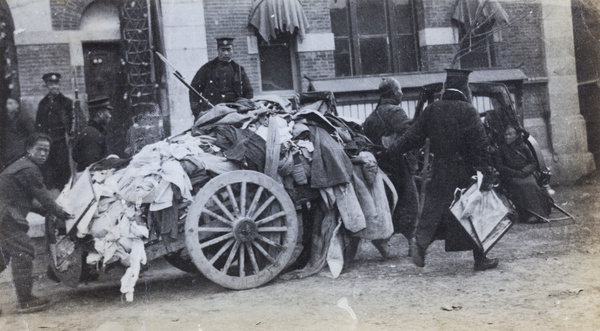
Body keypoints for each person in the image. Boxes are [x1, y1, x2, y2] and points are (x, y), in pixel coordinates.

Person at [384, 69, 499, 271]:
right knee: (473, 212)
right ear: (465, 88)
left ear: (446, 88)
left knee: (433, 210)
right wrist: (487, 171)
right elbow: (481, 145)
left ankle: (420, 245)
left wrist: (391, 151)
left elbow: (411, 137)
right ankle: (481, 258)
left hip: (440, 169)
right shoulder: (469, 111)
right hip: (465, 172)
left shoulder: (432, 110)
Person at [0, 133, 72, 314]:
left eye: (46, 150)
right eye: (39, 149)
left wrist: (48, 211)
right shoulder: (29, 169)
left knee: (3, 258)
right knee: (23, 252)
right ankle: (25, 300)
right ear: (28, 149)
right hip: (5, 216)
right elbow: (44, 197)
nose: (43, 154)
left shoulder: (23, 166)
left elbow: (25, 199)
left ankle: (25, 298)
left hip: (6, 213)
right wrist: (63, 214)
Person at [362, 78, 419, 250]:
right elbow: (410, 135)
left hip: (381, 165)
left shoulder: (372, 115)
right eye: (400, 90)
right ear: (393, 92)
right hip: (399, 164)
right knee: (410, 202)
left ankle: (382, 241)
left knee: (387, 202)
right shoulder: (395, 112)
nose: (402, 93)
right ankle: (412, 243)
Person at [493, 125, 552, 223]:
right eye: (506, 134)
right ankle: (529, 215)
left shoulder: (523, 147)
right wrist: (516, 173)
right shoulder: (500, 149)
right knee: (523, 185)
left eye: (510, 134)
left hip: (525, 173)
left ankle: (541, 214)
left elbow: (533, 162)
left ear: (516, 135)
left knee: (533, 184)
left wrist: (524, 171)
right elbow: (500, 167)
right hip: (511, 176)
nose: (507, 137)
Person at [189, 37, 254, 120]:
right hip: (211, 113)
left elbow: (248, 92)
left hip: (233, 113)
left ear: (232, 50)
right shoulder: (207, 68)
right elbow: (194, 89)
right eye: (223, 50)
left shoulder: (238, 70)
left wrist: (243, 109)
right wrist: (197, 111)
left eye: (228, 50)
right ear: (218, 50)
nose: (226, 53)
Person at [35, 73, 74, 190]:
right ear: (47, 85)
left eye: (56, 84)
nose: (54, 87)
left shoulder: (66, 102)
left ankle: (64, 192)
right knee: (47, 170)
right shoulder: (43, 103)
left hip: (60, 142)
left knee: (62, 169)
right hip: (46, 142)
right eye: (51, 84)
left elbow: (69, 123)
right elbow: (38, 123)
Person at [72, 96, 112, 171]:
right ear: (100, 114)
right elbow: (92, 166)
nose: (110, 116)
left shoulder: (94, 131)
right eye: (108, 112)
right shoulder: (92, 134)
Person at [1, 97, 35, 170]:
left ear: (17, 105)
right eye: (7, 104)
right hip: (8, 152)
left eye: (10, 103)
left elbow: (32, 133)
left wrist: (26, 147)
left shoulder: (24, 117)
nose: (8, 106)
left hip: (20, 151)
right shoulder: (6, 118)